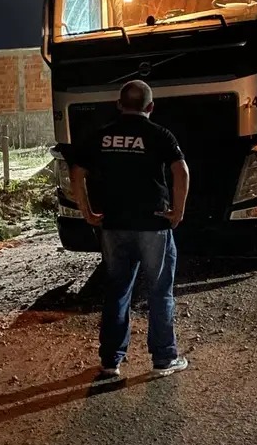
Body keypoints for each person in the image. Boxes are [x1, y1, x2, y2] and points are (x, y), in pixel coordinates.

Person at [70, 80, 190, 378]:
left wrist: (85, 210)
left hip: (114, 226)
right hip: (152, 224)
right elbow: (181, 170)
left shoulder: (102, 135)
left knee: (117, 291)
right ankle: (164, 359)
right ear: (150, 107)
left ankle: (111, 360)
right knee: (160, 292)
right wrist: (177, 211)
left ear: (119, 104)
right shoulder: (159, 134)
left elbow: (76, 170)